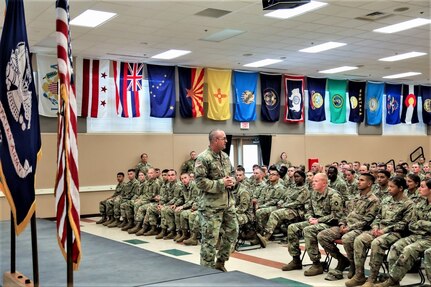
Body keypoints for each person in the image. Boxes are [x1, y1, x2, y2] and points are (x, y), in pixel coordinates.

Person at [345, 177, 414, 287]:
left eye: (392, 187)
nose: (389, 189)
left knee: (377, 243)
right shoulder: (386, 200)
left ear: (400, 188)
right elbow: (378, 216)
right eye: (389, 186)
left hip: (396, 232)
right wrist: (376, 226)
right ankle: (359, 275)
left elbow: (404, 224)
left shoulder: (408, 204)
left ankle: (372, 278)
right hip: (379, 230)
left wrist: (384, 230)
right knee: (359, 240)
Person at [317, 173, 380, 281]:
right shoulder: (355, 197)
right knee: (322, 235)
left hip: (360, 229)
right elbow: (344, 213)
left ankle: (353, 264)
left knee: (347, 238)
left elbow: (367, 220)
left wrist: (349, 228)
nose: (358, 182)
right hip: (346, 226)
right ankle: (342, 260)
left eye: (362, 180)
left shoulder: (373, 200)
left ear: (369, 183)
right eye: (358, 179)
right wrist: (342, 224)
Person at [282, 173, 344, 276]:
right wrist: (310, 218)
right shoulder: (313, 193)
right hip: (316, 221)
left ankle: (316, 264)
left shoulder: (334, 195)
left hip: (330, 224)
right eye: (313, 181)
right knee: (292, 227)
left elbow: (336, 215)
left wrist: (318, 220)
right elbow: (308, 210)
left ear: (324, 183)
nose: (312, 183)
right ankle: (296, 260)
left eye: (316, 181)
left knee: (309, 230)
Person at [195, 129, 238, 272]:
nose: (226, 141)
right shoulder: (203, 158)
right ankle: (206, 272)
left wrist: (232, 182)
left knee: (233, 232)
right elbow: (200, 182)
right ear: (215, 140)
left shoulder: (225, 156)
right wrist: (221, 183)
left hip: (227, 204)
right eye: (223, 138)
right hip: (210, 207)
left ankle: (220, 263)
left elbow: (231, 174)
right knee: (210, 240)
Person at [375, 179, 431, 287]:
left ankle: (391, 280)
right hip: (417, 235)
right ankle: (394, 281)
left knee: (409, 249)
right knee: (396, 247)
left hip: (428, 239)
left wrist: (421, 223)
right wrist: (423, 225)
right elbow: (411, 224)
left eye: (423, 187)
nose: (419, 188)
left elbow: (418, 223)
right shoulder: (420, 203)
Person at [257, 170, 309, 248]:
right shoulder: (292, 187)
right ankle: (262, 234)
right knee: (264, 211)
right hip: (285, 207)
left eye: (298, 177)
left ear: (303, 178)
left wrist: (285, 205)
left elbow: (297, 203)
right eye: (295, 177)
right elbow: (284, 197)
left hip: (295, 210)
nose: (296, 178)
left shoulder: (304, 190)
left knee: (275, 214)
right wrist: (280, 203)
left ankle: (266, 237)